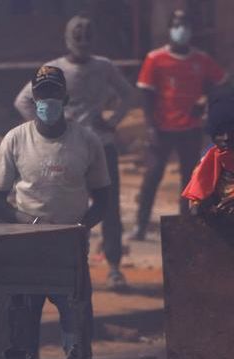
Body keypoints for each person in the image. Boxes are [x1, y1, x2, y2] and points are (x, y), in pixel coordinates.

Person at [0, 65, 110, 359]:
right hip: (26, 254)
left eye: (53, 96)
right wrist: (29, 222)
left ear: (65, 101)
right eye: (41, 97)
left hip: (70, 255)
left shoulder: (86, 141)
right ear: (33, 101)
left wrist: (81, 227)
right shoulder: (14, 140)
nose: (46, 104)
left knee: (78, 350)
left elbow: (103, 199)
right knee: (19, 349)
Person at [14, 15, 136, 290]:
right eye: (77, 36)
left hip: (100, 145)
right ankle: (69, 262)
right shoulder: (54, 69)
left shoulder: (104, 67)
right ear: (67, 38)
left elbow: (129, 94)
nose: (82, 42)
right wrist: (46, 127)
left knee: (108, 206)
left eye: (87, 37)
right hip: (68, 148)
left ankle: (114, 266)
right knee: (66, 206)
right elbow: (23, 100)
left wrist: (113, 121)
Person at [134, 10, 227, 239]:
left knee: (189, 179)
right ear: (169, 30)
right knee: (153, 176)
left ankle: (185, 226)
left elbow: (222, 81)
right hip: (162, 128)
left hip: (191, 128)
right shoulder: (155, 59)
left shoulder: (201, 60)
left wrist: (207, 100)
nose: (181, 30)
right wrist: (149, 126)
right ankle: (140, 226)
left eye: (185, 25)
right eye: (177, 25)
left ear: (191, 31)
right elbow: (145, 93)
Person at [181, 96, 234, 219]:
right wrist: (202, 206)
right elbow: (195, 200)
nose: (226, 138)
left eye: (233, 131)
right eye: (220, 133)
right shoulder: (208, 160)